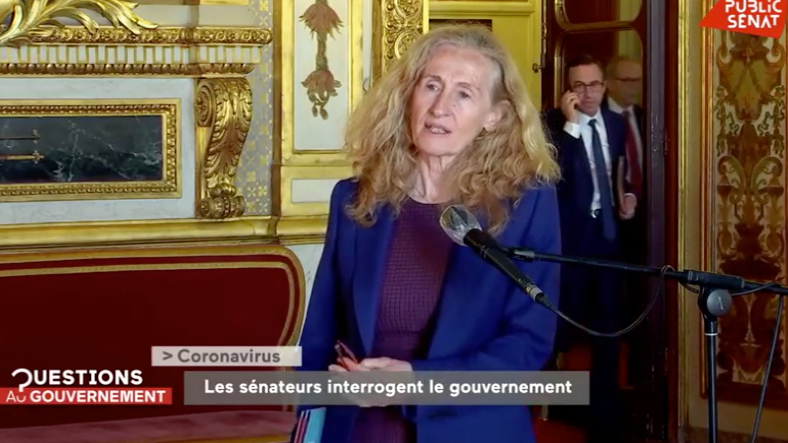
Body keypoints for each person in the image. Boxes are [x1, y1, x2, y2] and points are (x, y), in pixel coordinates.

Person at [295, 25, 562, 443]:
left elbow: (526, 345)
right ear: (408, 96)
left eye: (463, 94)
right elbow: (320, 333)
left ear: (494, 116)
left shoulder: (526, 203)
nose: (440, 107)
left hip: (471, 429)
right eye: (431, 86)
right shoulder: (354, 199)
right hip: (361, 426)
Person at [543, 54, 636, 443]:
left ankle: (603, 423)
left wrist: (627, 196)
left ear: (604, 85)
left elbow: (617, 172)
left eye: (594, 84)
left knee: (608, 334)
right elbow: (552, 175)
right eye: (579, 86)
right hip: (569, 245)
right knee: (558, 331)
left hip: (607, 240)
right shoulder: (552, 125)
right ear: (568, 90)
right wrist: (571, 126)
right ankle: (549, 410)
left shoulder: (615, 123)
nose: (588, 93)